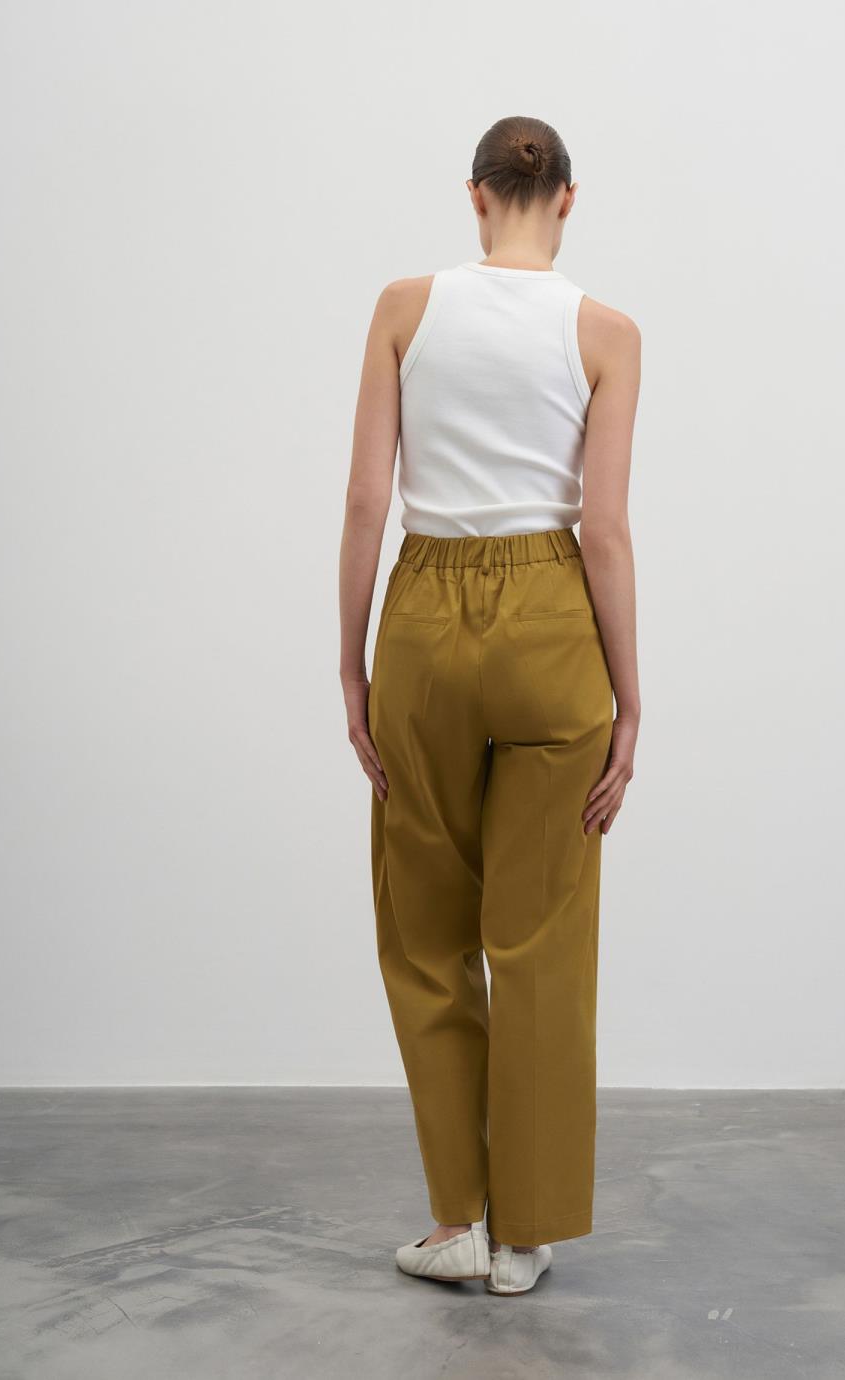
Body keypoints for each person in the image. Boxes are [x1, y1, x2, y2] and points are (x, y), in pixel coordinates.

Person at [338, 115, 641, 1295]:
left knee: (426, 936)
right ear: (567, 198)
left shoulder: (404, 309)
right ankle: (526, 1239)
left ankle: (459, 1217)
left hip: (422, 616)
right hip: (554, 623)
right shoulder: (607, 333)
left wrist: (352, 669)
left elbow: (368, 503)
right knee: (542, 941)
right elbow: (604, 529)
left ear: (475, 197)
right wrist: (630, 700)